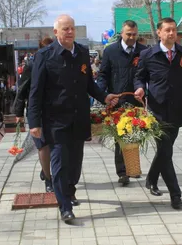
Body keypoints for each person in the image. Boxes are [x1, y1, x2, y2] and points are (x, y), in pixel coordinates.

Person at [28, 14, 119, 221]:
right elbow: (35, 91)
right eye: (65, 29)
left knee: (75, 164)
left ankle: (69, 191)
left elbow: (89, 84)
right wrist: (34, 122)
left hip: (79, 118)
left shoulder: (82, 52)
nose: (69, 32)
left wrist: (105, 97)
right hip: (55, 120)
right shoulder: (44, 55)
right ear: (56, 32)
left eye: (72, 28)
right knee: (59, 163)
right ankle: (65, 207)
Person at [134, 17, 182, 209]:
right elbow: (139, 78)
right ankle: (175, 194)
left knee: (165, 151)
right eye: (167, 30)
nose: (171, 33)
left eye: (174, 30)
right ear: (159, 33)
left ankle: (151, 179)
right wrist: (139, 88)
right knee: (166, 151)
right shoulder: (148, 55)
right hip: (156, 111)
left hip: (176, 111)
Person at [97, 20, 147, 186]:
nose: (132, 37)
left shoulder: (143, 52)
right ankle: (123, 172)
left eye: (134, 34)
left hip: (136, 100)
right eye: (128, 34)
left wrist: (143, 90)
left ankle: (133, 167)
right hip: (117, 100)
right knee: (121, 136)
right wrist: (102, 94)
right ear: (121, 33)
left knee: (135, 135)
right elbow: (103, 75)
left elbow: (146, 75)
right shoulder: (111, 51)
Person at [13, 37, 54, 193]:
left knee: (54, 145)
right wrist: (18, 112)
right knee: (43, 145)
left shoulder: (58, 64)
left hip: (55, 110)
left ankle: (47, 171)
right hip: (37, 110)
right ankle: (48, 180)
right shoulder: (32, 66)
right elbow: (22, 89)